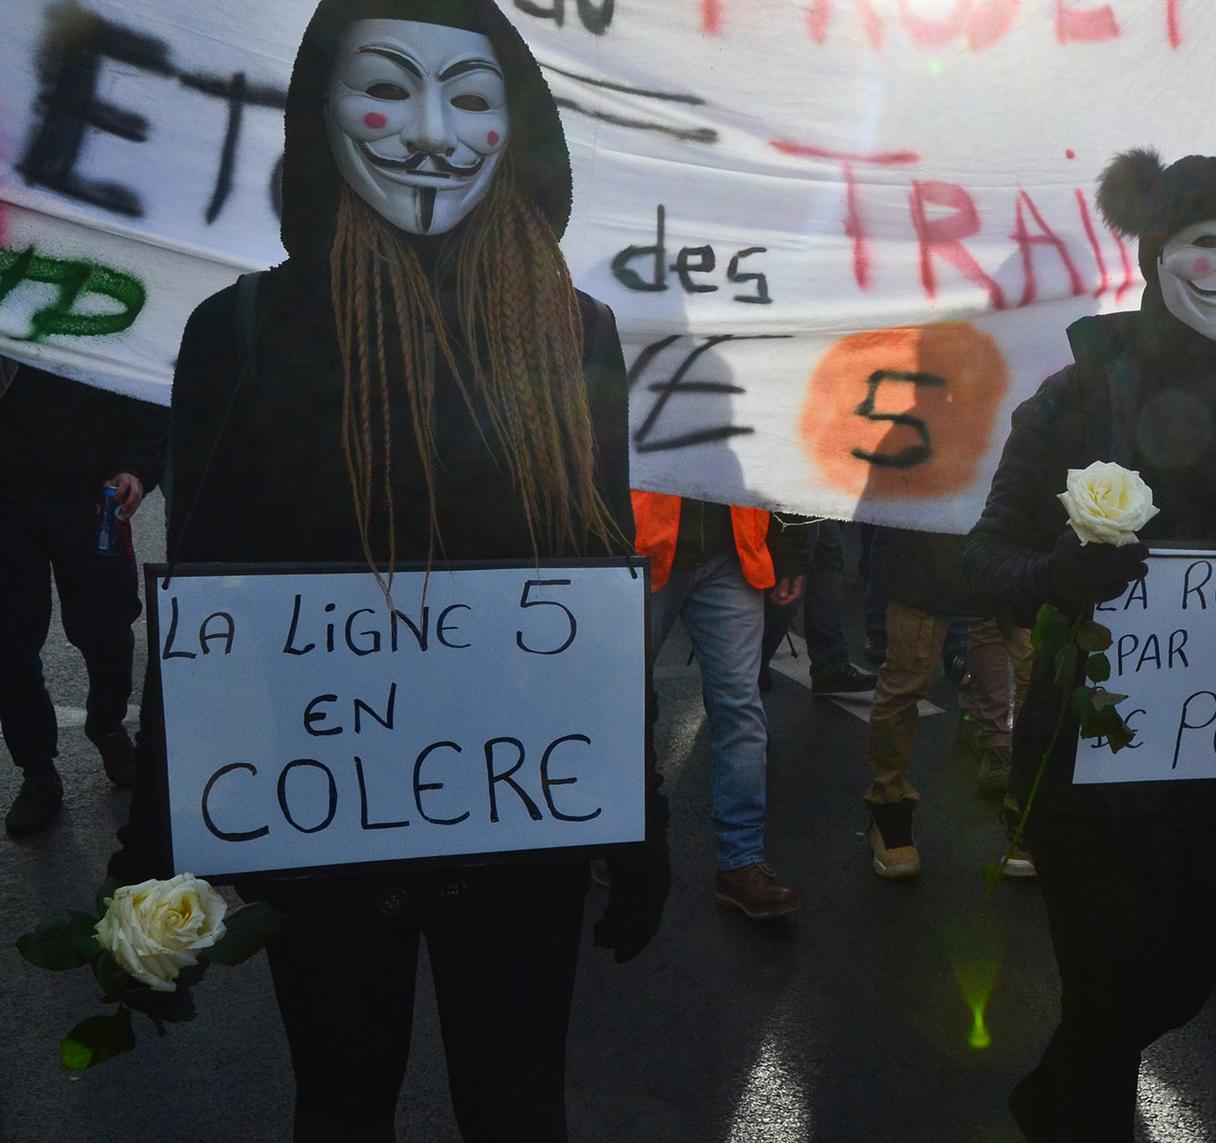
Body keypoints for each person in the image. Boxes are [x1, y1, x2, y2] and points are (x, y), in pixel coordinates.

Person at [104, 3, 669, 1137]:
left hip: (524, 831)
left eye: (468, 97)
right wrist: (156, 851)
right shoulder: (242, 331)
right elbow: (203, 607)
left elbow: (600, 575)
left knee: (518, 1109)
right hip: (323, 837)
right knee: (344, 1103)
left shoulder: (575, 332)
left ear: (516, 126)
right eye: (386, 89)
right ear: (319, 112)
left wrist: (638, 808)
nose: (429, 133)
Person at [965, 148, 1216, 1141]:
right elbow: (985, 563)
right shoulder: (1076, 397)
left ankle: (1052, 1096)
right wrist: (1057, 573)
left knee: (1174, 989)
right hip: (1096, 776)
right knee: (1109, 1000)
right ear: (1155, 253)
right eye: (1210, 240)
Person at [1, 361, 164, 836]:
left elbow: (141, 382)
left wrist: (137, 466)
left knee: (108, 630)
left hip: (93, 493)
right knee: (10, 643)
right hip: (6, 498)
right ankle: (37, 771)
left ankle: (108, 724)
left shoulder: (103, 292)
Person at [632, 490, 809, 918]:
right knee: (620, 706)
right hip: (637, 551)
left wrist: (791, 550)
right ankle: (614, 834)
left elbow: (773, 451)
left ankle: (741, 860)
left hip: (731, 556)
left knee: (741, 709)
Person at [860, 526, 1029, 880]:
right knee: (909, 676)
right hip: (929, 539)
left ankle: (1025, 805)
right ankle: (889, 807)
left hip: (1010, 534)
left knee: (1035, 675)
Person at [760, 520, 878, 696]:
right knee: (789, 572)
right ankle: (751, 660)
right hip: (789, 501)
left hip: (820, 498)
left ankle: (829, 663)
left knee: (827, 553)